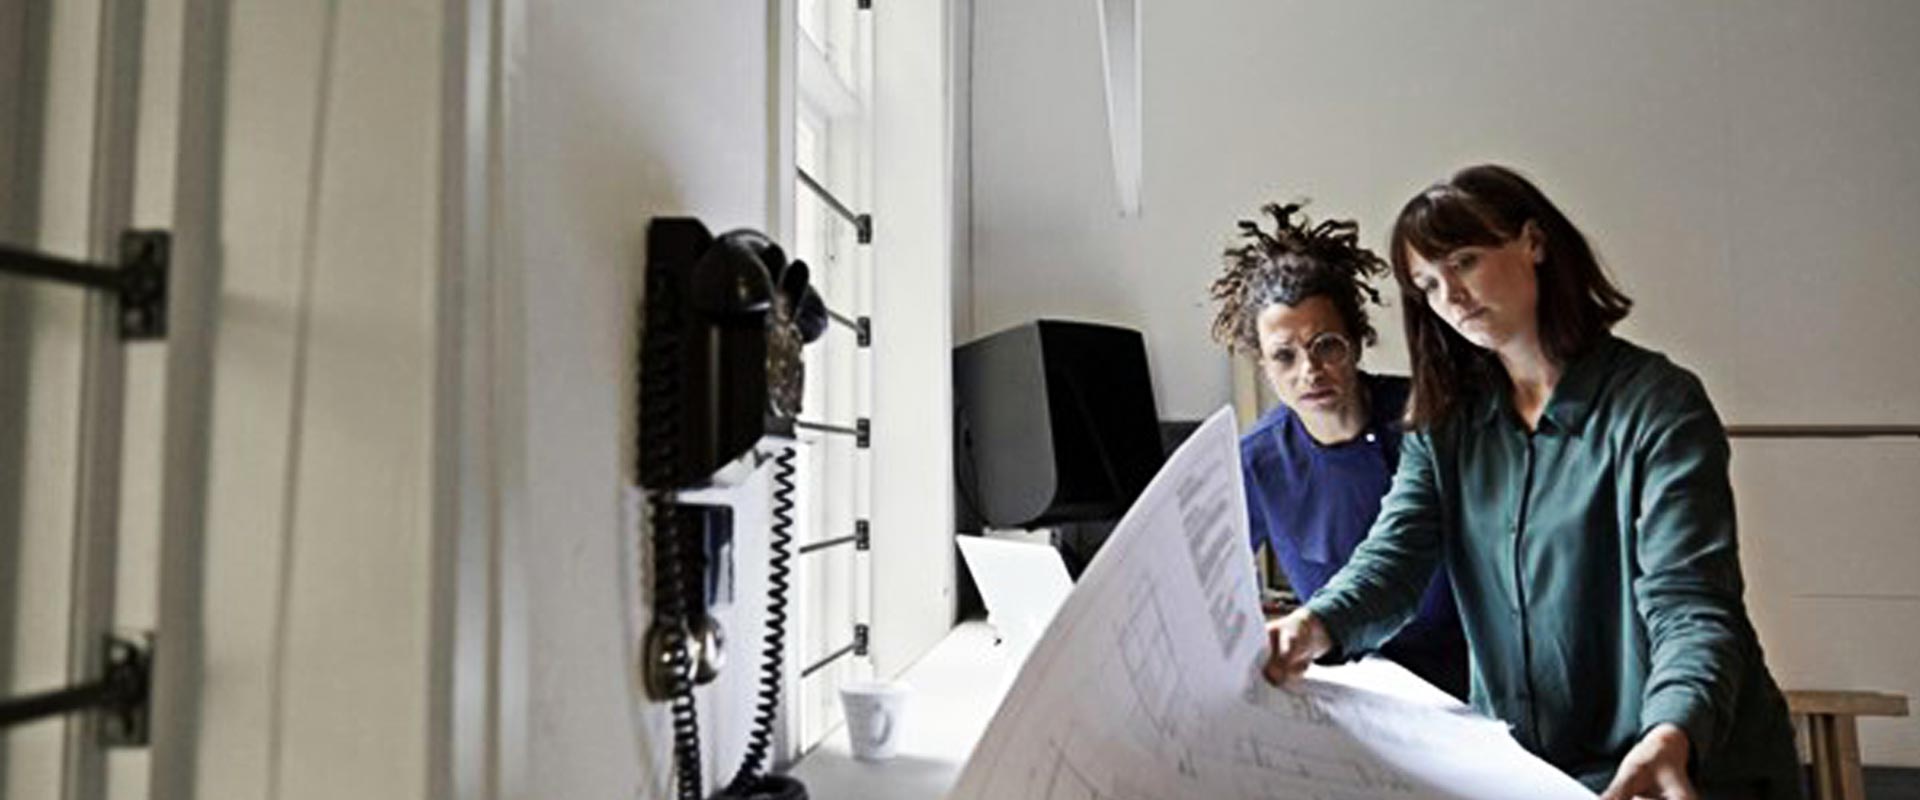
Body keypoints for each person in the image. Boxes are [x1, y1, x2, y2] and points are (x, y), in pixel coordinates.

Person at [1263, 166, 1802, 799]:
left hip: (1681, 762)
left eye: (1464, 261)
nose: (1451, 296)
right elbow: (1393, 559)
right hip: (1533, 771)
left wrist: (1671, 731)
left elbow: (1690, 605)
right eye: (1428, 284)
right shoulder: (1446, 420)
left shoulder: (1659, 407)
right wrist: (1312, 625)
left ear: (1534, 242)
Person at [1211, 201, 1469, 701]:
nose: (1309, 371)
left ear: (1357, 339)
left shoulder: (1427, 419)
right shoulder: (1256, 462)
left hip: (1461, 676)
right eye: (1284, 356)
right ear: (1264, 366)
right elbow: (1212, 583)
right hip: (1346, 684)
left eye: (1326, 345)